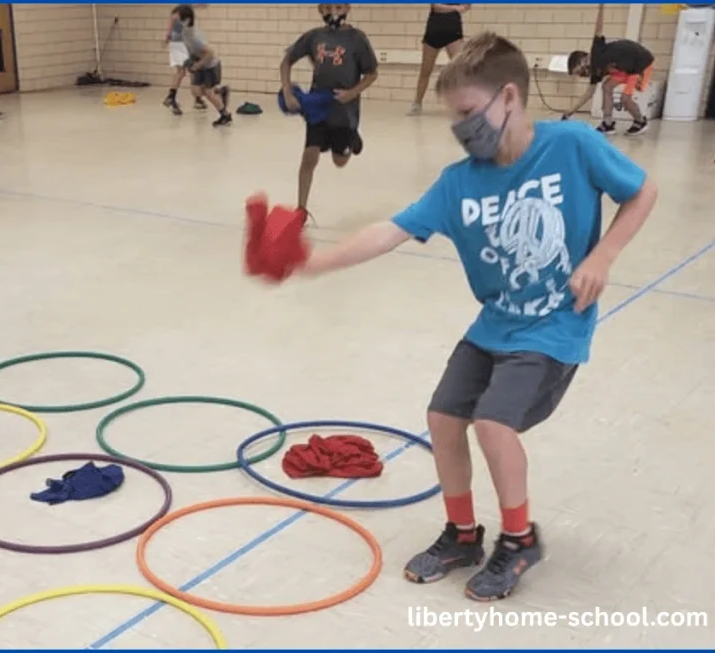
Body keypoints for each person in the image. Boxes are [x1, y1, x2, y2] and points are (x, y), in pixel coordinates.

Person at [281, 32, 657, 601]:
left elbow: (643, 191)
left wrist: (604, 256)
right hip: (493, 326)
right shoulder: (459, 182)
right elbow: (391, 230)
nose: (461, 130)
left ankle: (520, 538)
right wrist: (315, 261)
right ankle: (461, 534)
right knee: (442, 418)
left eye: (467, 114)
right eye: (452, 119)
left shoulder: (573, 146)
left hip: (554, 327)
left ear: (509, 97)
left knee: (493, 424)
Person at [280, 3, 378, 221]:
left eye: (338, 6)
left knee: (339, 161)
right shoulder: (315, 37)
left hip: (344, 109)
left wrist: (352, 93)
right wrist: (288, 91)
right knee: (309, 157)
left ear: (347, 8)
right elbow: (286, 61)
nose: (332, 11)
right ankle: (301, 210)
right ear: (320, 10)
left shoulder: (357, 39)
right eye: (327, 7)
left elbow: (372, 74)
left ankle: (352, 140)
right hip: (318, 105)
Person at [564, 4, 654, 135]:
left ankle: (640, 122)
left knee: (625, 99)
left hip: (640, 63)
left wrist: (601, 7)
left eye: (579, 71)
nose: (582, 75)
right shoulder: (595, 71)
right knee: (606, 87)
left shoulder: (596, 52)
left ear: (583, 61)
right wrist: (569, 112)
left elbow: (598, 28)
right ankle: (608, 123)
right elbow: (588, 94)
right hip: (624, 69)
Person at [174, 5, 232, 127]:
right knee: (196, 91)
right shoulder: (184, 33)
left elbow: (210, 53)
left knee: (207, 92)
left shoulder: (194, 37)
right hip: (200, 64)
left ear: (186, 20)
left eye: (176, 19)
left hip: (209, 65)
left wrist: (197, 65)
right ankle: (220, 92)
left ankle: (225, 115)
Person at [409, 4, 471, 115]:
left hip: (453, 30)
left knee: (460, 69)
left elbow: (466, 6)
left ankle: (463, 104)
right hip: (434, 30)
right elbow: (436, 6)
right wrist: (455, 8)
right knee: (426, 69)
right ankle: (417, 103)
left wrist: (463, 6)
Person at [162, 4, 206, 115]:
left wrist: (166, 39)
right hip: (182, 45)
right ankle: (196, 100)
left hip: (176, 45)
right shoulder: (182, 14)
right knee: (190, 71)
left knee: (182, 72)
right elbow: (170, 29)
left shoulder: (178, 12)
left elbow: (168, 29)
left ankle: (173, 96)